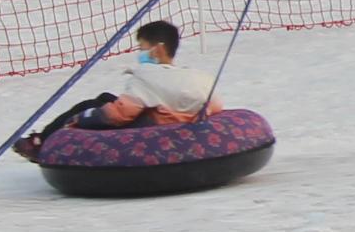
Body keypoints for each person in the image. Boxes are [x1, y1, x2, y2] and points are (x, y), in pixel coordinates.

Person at [12, 21, 217, 157]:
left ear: (158, 49)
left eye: (143, 48)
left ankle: (41, 142)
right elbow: (214, 106)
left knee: (92, 104)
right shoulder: (197, 77)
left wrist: (81, 119)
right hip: (177, 117)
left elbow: (120, 114)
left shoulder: (148, 77)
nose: (141, 53)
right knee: (106, 96)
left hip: (153, 125)